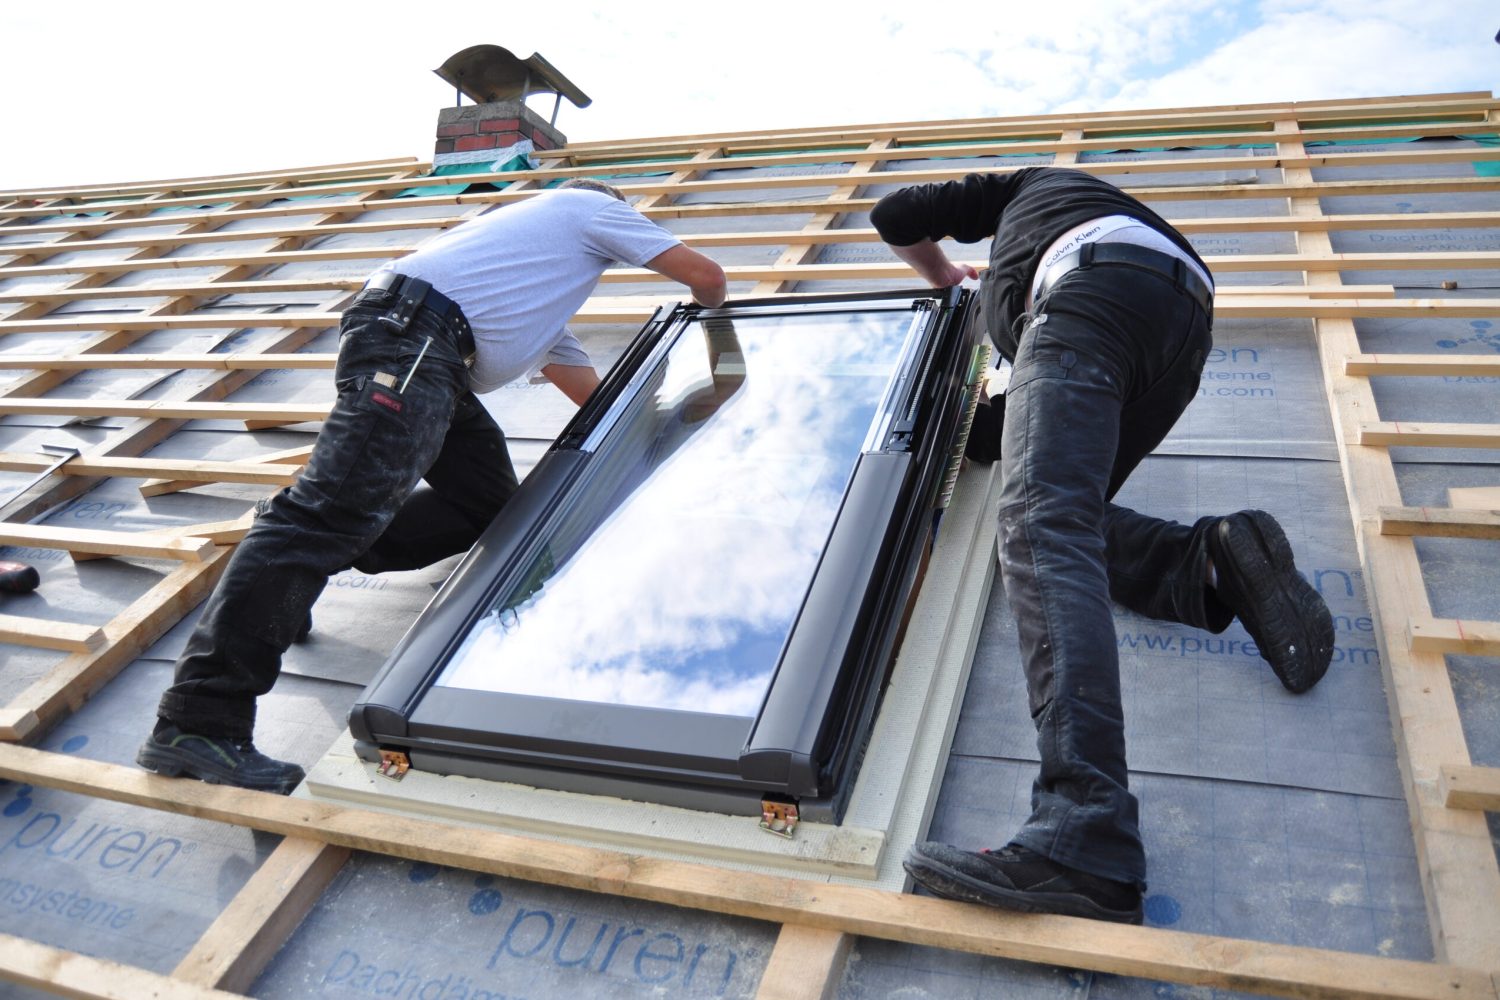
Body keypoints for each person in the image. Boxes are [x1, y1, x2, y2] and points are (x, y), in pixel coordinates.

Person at [138, 178, 727, 794]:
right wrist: (726, 354)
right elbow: (706, 278)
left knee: (495, 513)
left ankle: (297, 563)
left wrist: (678, 421)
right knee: (317, 521)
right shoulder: (586, 206)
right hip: (415, 344)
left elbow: (604, 401)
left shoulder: (535, 298)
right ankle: (197, 723)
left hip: (436, 364)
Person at [872, 168, 1335, 924]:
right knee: (1069, 520)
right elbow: (1012, 443)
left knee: (1040, 527)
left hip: (1088, 298)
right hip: (1179, 320)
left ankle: (1084, 835)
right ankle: (1214, 563)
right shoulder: (1082, 202)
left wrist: (949, 274)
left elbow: (894, 212)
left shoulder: (1021, 188)